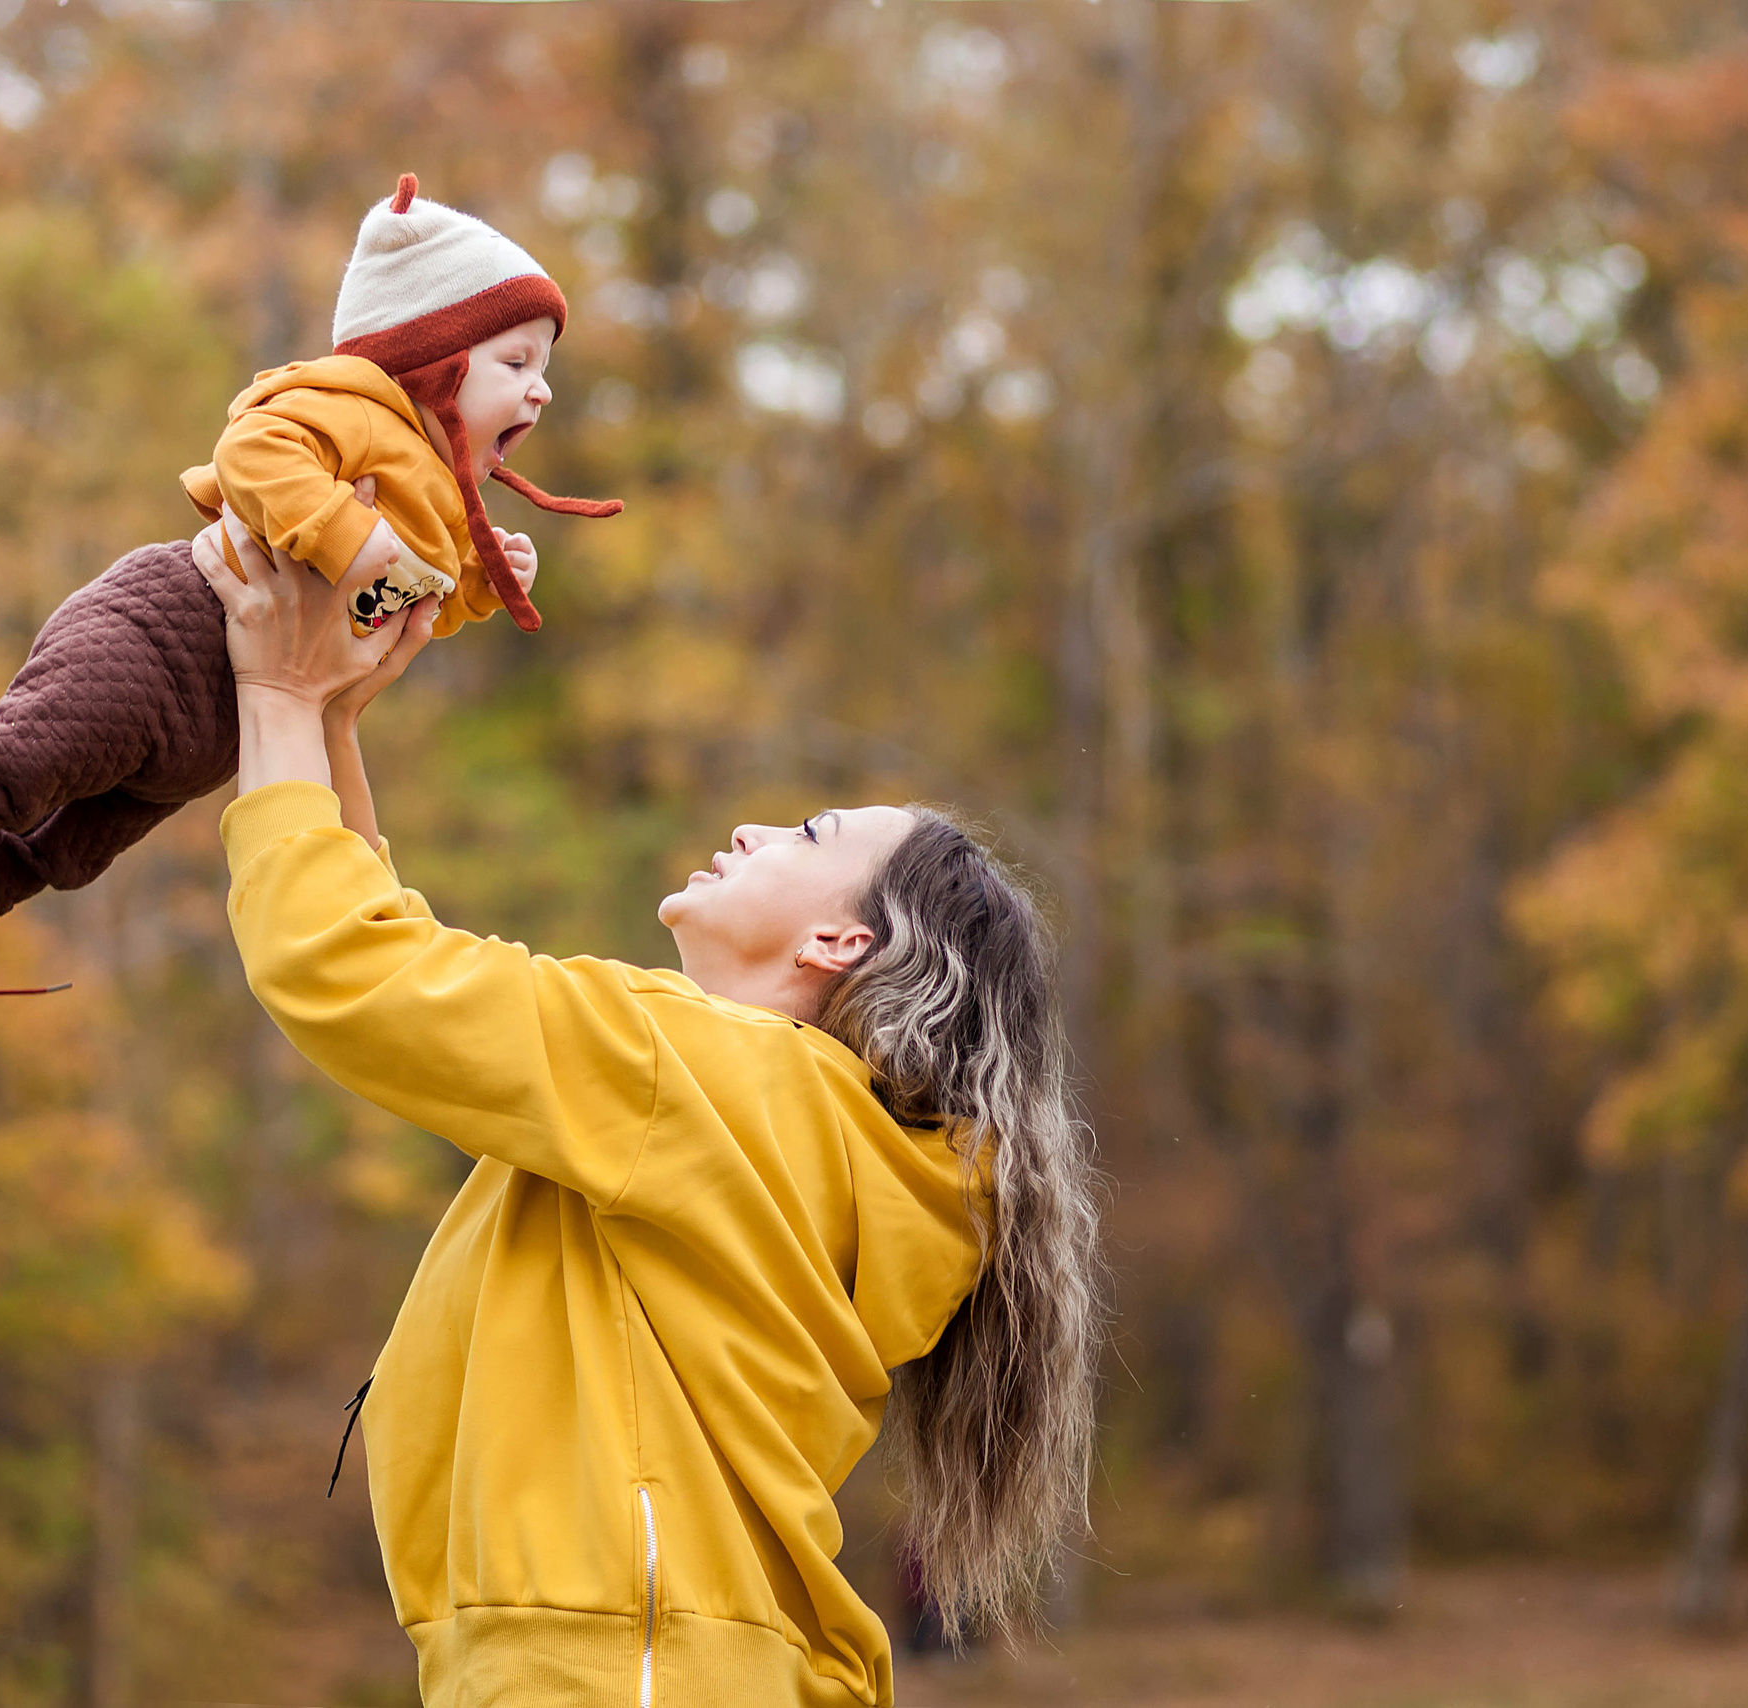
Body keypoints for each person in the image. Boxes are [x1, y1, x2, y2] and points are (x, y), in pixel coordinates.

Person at [194, 508, 1106, 1707]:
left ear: (842, 939)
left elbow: (344, 970)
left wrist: (272, 690)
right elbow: (399, 961)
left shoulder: (698, 1075)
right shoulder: (792, 1121)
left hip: (615, 1664)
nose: (754, 827)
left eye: (809, 833)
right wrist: (328, 721)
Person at [0, 175, 617, 1063]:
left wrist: (477, 586)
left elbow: (404, 610)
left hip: (227, 725)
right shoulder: (354, 408)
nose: (539, 394)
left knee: (62, 852)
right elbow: (254, 450)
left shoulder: (445, 501)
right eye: (517, 364)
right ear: (433, 357)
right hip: (164, 637)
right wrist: (349, 535)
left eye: (546, 373)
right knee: (21, 766)